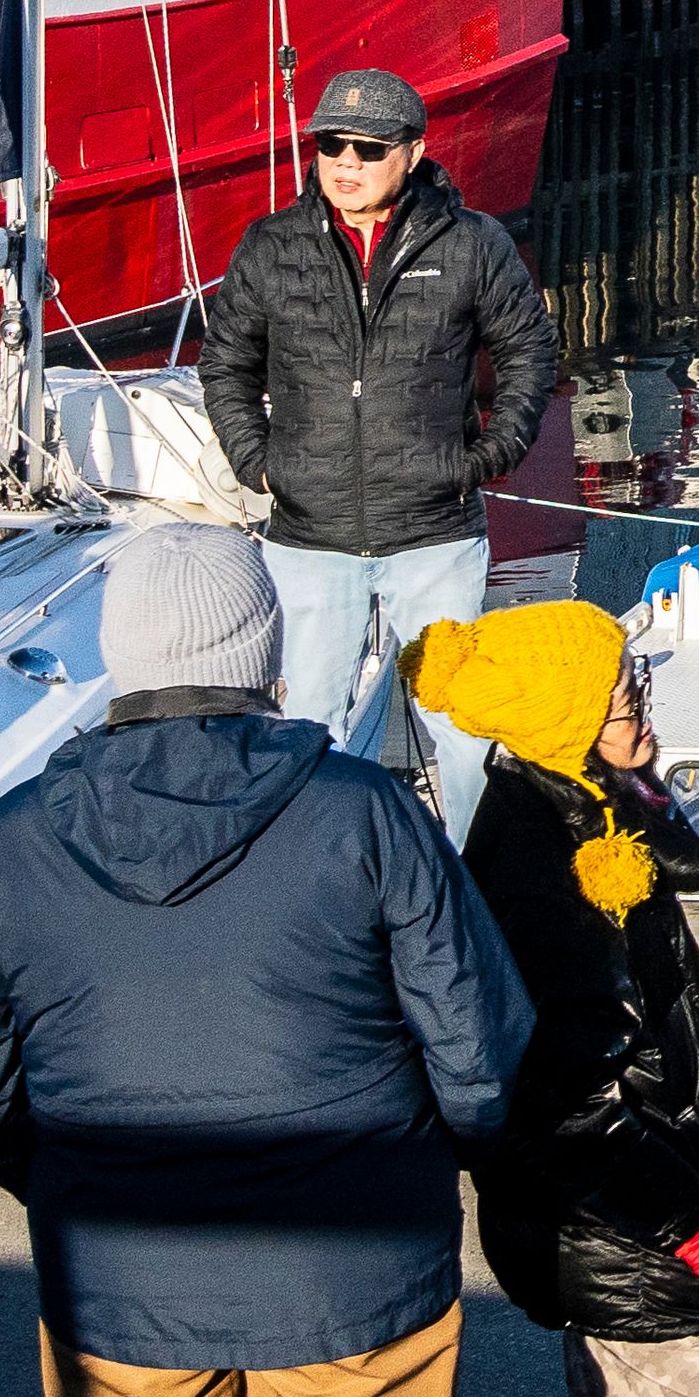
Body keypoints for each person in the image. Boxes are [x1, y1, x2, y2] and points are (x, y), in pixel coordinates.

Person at [0, 520, 532, 1397]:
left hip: (119, 1272)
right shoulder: (365, 813)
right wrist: (428, 1162)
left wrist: (68, 1176)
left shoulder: (10, 838)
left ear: (122, 651)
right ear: (266, 652)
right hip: (355, 1268)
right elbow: (478, 1048)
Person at [409, 606, 699, 1397]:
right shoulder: (547, 863)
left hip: (595, 1215)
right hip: (621, 1217)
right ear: (563, 710)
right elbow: (560, 1095)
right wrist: (692, 1223)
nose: (643, 699)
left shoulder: (565, 803)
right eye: (623, 690)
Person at [188, 66, 561, 837]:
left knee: (463, 733)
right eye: (331, 145)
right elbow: (225, 362)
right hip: (309, 537)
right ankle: (318, 891)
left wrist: (492, 454)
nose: (346, 164)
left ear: (413, 152)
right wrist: (256, 462)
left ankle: (472, 890)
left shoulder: (472, 245)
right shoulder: (271, 246)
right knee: (306, 729)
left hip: (435, 534)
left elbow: (528, 351)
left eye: (367, 147)